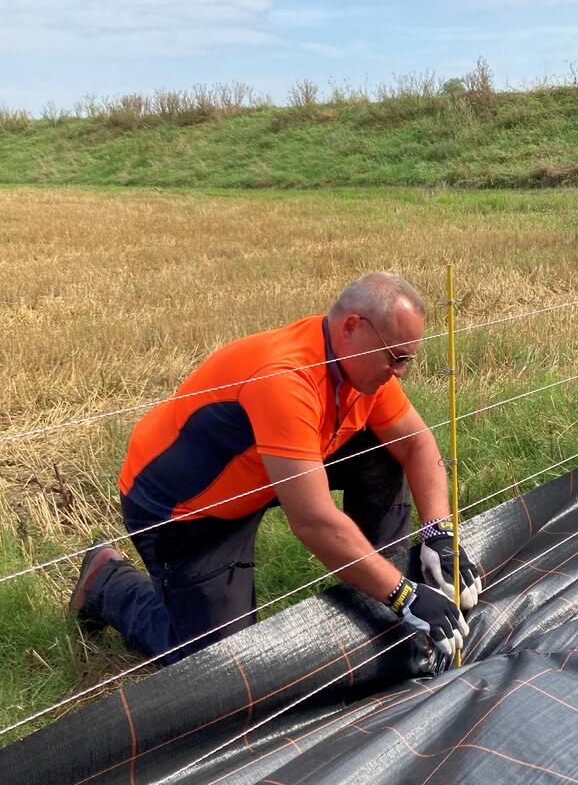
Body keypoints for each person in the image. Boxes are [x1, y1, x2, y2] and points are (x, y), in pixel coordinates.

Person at [69, 272, 481, 668]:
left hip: (263, 473)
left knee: (381, 447)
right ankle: (106, 581)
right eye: (395, 357)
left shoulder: (360, 367)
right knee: (221, 665)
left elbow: (416, 443)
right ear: (353, 326)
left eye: (407, 358)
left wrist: (438, 534)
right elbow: (314, 522)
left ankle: (382, 596)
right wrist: (404, 595)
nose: (401, 372)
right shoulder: (286, 379)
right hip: (185, 510)